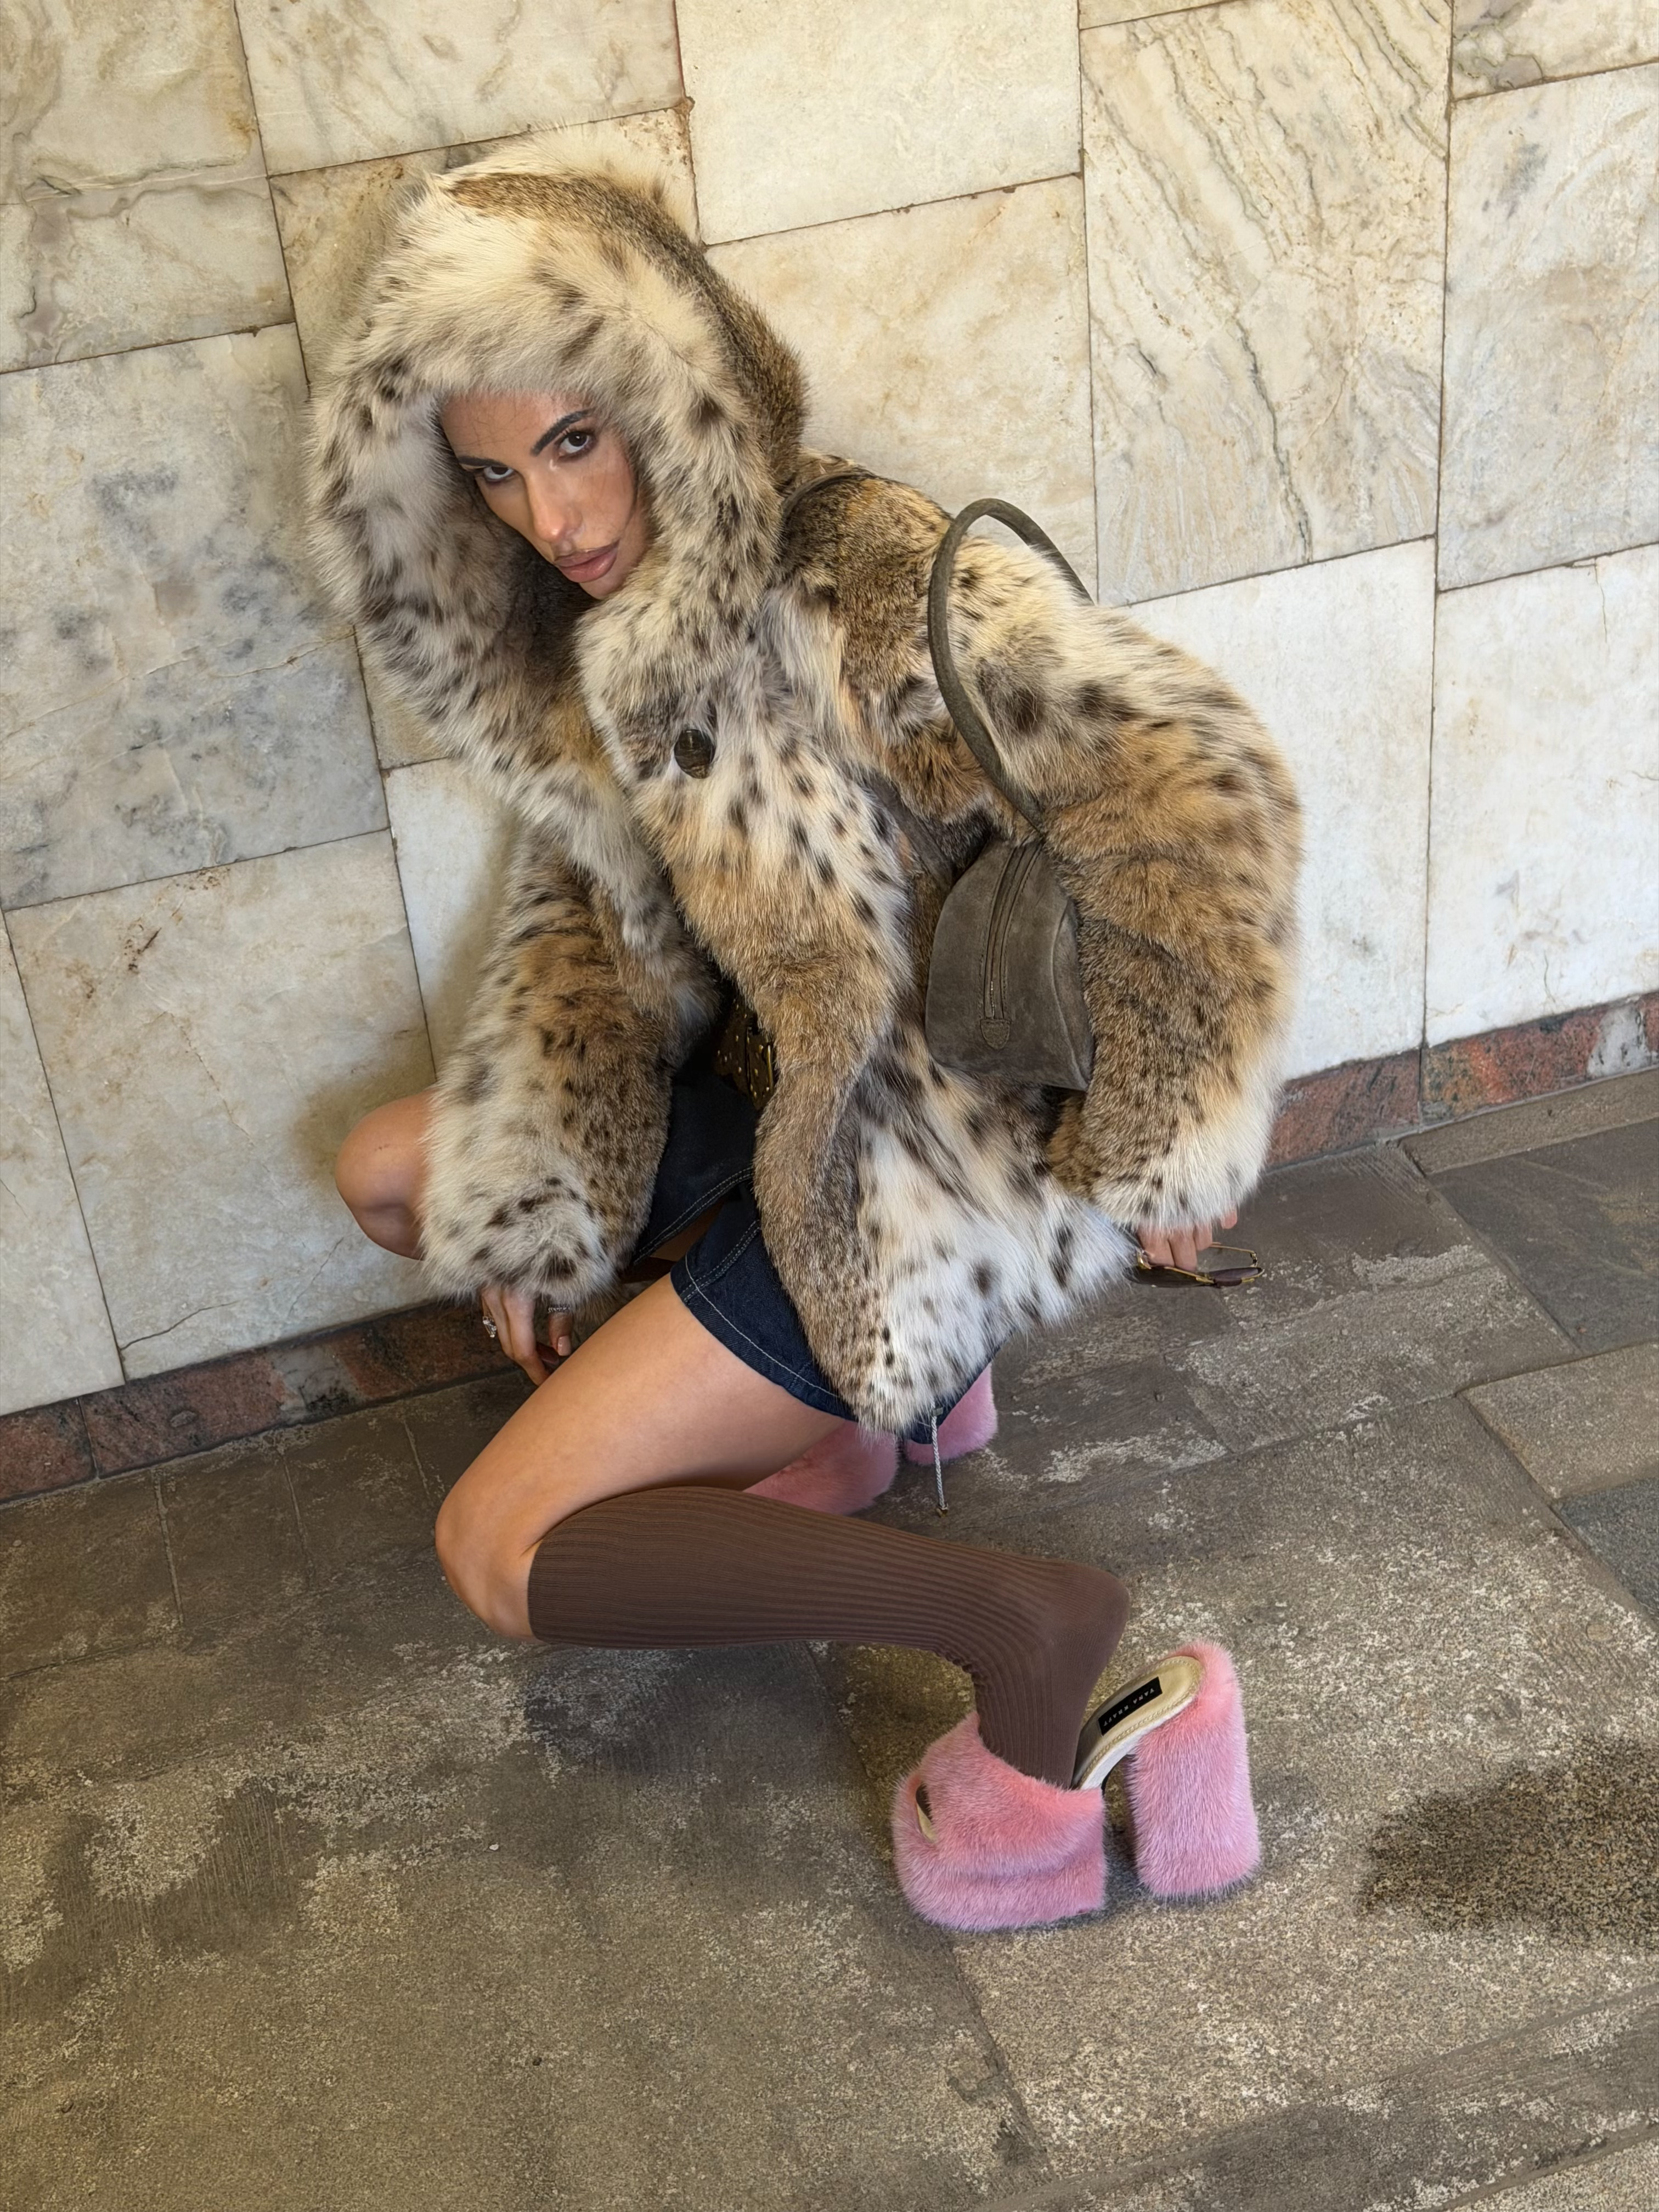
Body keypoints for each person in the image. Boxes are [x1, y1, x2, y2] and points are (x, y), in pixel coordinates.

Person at [314, 136, 1299, 1929]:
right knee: (401, 1174)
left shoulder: (857, 570)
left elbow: (1182, 782)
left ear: (665, 389)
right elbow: (598, 937)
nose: (555, 520)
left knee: (499, 1548)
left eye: (576, 442)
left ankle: (1020, 1622)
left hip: (928, 1159)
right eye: (496, 476)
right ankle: (861, 1419)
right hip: (779, 1109)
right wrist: (546, 1185)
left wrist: (1170, 1129)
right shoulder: (596, 636)